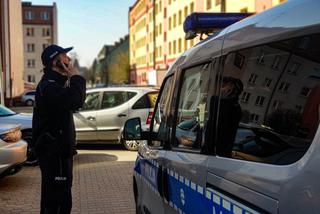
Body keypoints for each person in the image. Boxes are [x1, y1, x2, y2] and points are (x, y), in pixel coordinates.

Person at [32, 44, 86, 214]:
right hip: (54, 155)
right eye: (65, 57)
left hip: (58, 154)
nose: (69, 60)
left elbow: (75, 100)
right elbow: (76, 100)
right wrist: (76, 77)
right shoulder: (49, 87)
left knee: (59, 200)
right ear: (56, 62)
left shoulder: (54, 85)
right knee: (57, 203)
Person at [202, 76, 243, 157]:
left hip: (218, 154)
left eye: (223, 86)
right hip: (211, 152)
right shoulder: (219, 102)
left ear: (230, 91)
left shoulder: (233, 108)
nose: (220, 90)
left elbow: (223, 133)